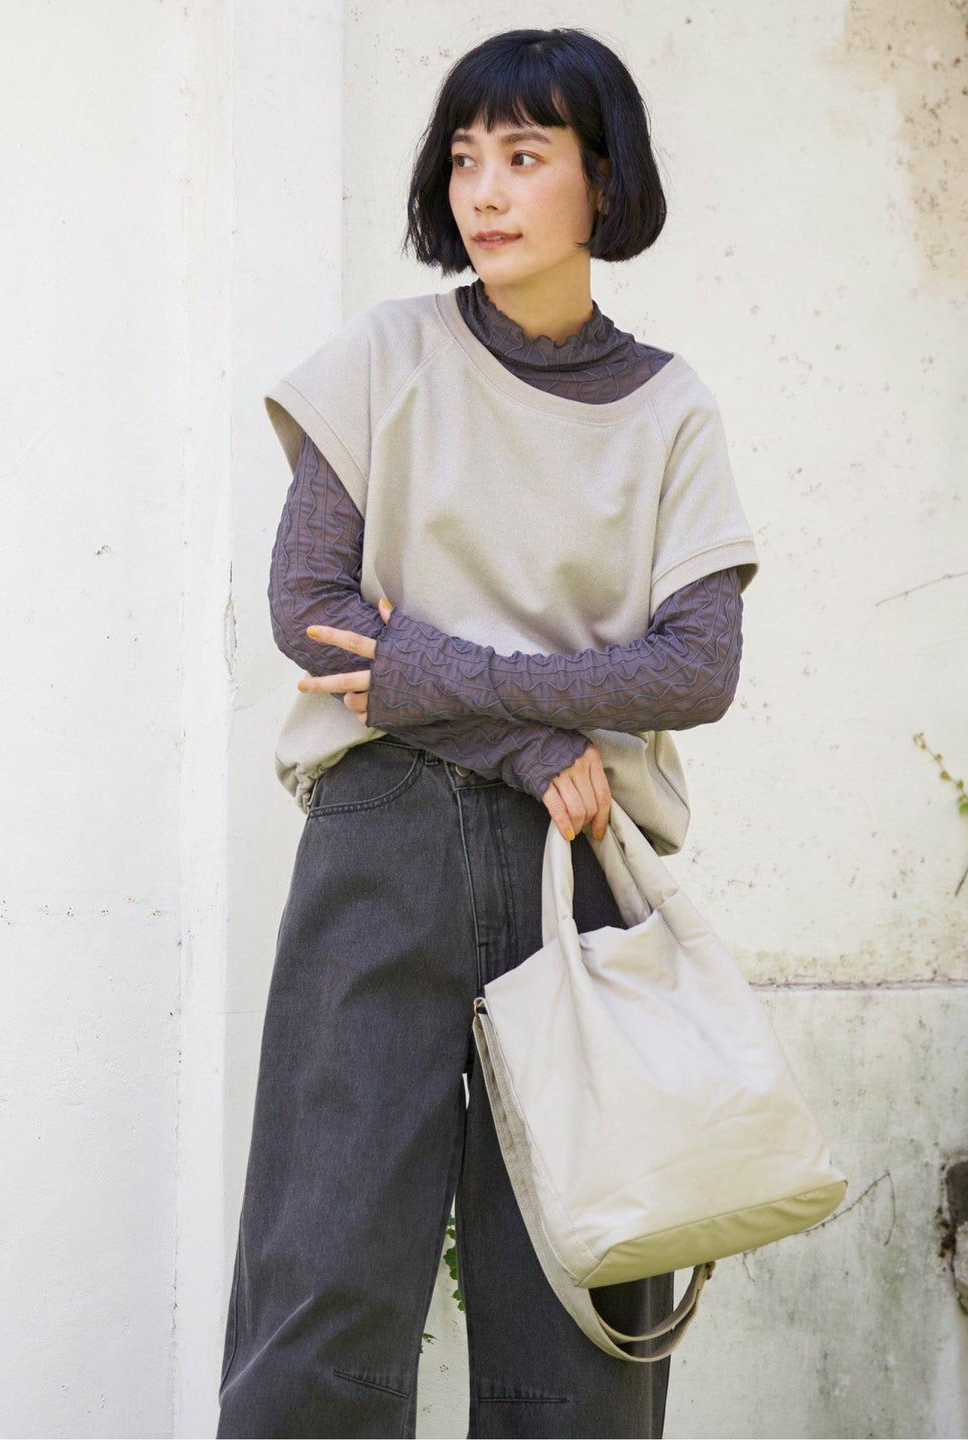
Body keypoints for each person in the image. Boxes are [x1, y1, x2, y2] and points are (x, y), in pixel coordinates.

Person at [216, 26, 758, 1440]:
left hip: (577, 874)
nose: (486, 191)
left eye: (525, 155)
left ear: (604, 181)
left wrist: (439, 670)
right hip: (384, 842)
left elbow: (697, 668)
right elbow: (314, 614)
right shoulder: (385, 356)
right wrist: (521, 738)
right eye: (464, 159)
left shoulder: (671, 410)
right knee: (322, 1283)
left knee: (586, 1297)